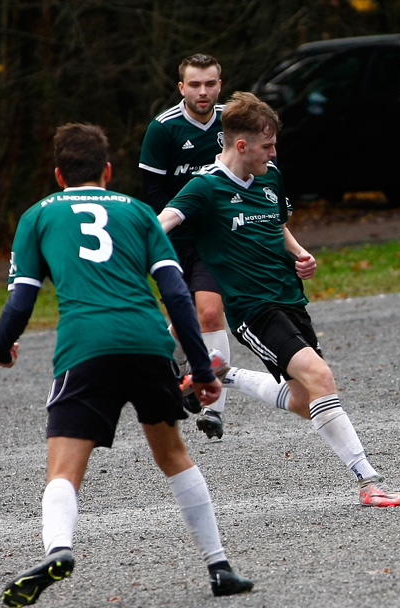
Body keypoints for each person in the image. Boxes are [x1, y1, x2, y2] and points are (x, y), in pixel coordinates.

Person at [0, 123, 252, 607]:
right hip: (148, 344)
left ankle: (59, 549)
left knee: (64, 468)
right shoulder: (136, 212)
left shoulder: (37, 216)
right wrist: (200, 367)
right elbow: (176, 294)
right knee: (173, 455)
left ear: (57, 173)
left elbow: (21, 298)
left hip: (85, 348)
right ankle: (219, 566)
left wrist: (1, 346)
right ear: (108, 170)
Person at [158, 91, 400, 508]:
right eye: (268, 145)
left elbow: (277, 225)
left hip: (291, 298)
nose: (274, 152)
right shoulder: (204, 188)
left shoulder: (270, 176)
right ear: (242, 145)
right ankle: (370, 481)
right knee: (321, 376)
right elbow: (161, 223)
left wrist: (300, 253)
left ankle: (225, 374)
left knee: (305, 399)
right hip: (253, 309)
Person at [139, 53, 231, 440]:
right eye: (195, 84)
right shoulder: (163, 129)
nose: (203, 91)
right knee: (180, 320)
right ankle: (175, 374)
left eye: (210, 83)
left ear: (219, 85)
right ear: (181, 88)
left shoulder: (232, 121)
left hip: (214, 240)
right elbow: (152, 192)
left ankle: (214, 411)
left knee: (210, 314)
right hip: (171, 240)